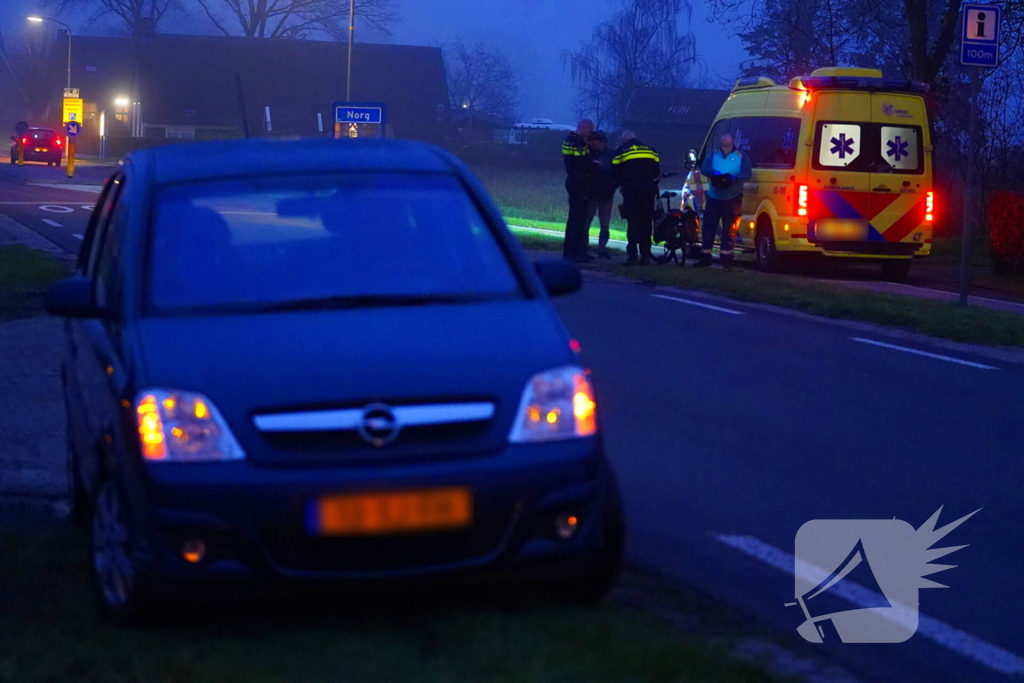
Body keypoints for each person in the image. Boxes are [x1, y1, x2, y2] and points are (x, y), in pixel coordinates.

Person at [696, 134, 752, 270]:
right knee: (709, 228)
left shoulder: (741, 156)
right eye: (723, 145)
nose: (725, 148)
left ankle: (726, 260)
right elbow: (704, 169)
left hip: (732, 197)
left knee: (730, 229)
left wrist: (734, 178)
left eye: (727, 145)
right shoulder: (713, 155)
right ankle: (705, 258)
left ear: (733, 144)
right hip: (714, 196)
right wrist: (714, 174)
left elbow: (747, 174)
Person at [612, 130, 661, 266]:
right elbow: (657, 171)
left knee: (633, 224)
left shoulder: (622, 151)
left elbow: (614, 171)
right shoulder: (651, 150)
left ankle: (632, 256)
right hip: (648, 192)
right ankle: (645, 256)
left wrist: (622, 184)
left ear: (624, 140)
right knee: (646, 224)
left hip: (631, 193)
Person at [561, 119, 596, 263]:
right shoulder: (578, 143)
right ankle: (575, 252)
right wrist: (594, 162)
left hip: (573, 180)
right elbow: (583, 163)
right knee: (579, 219)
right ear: (584, 127)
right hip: (580, 182)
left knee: (574, 217)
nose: (590, 133)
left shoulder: (568, 140)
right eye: (589, 130)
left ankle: (570, 250)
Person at [585, 131, 617, 259]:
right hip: (592, 194)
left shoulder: (611, 154)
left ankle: (602, 249)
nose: (593, 143)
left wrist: (613, 186)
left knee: (605, 224)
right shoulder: (589, 153)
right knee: (586, 223)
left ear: (602, 142)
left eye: (595, 141)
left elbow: (616, 172)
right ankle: (585, 247)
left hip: (606, 195)